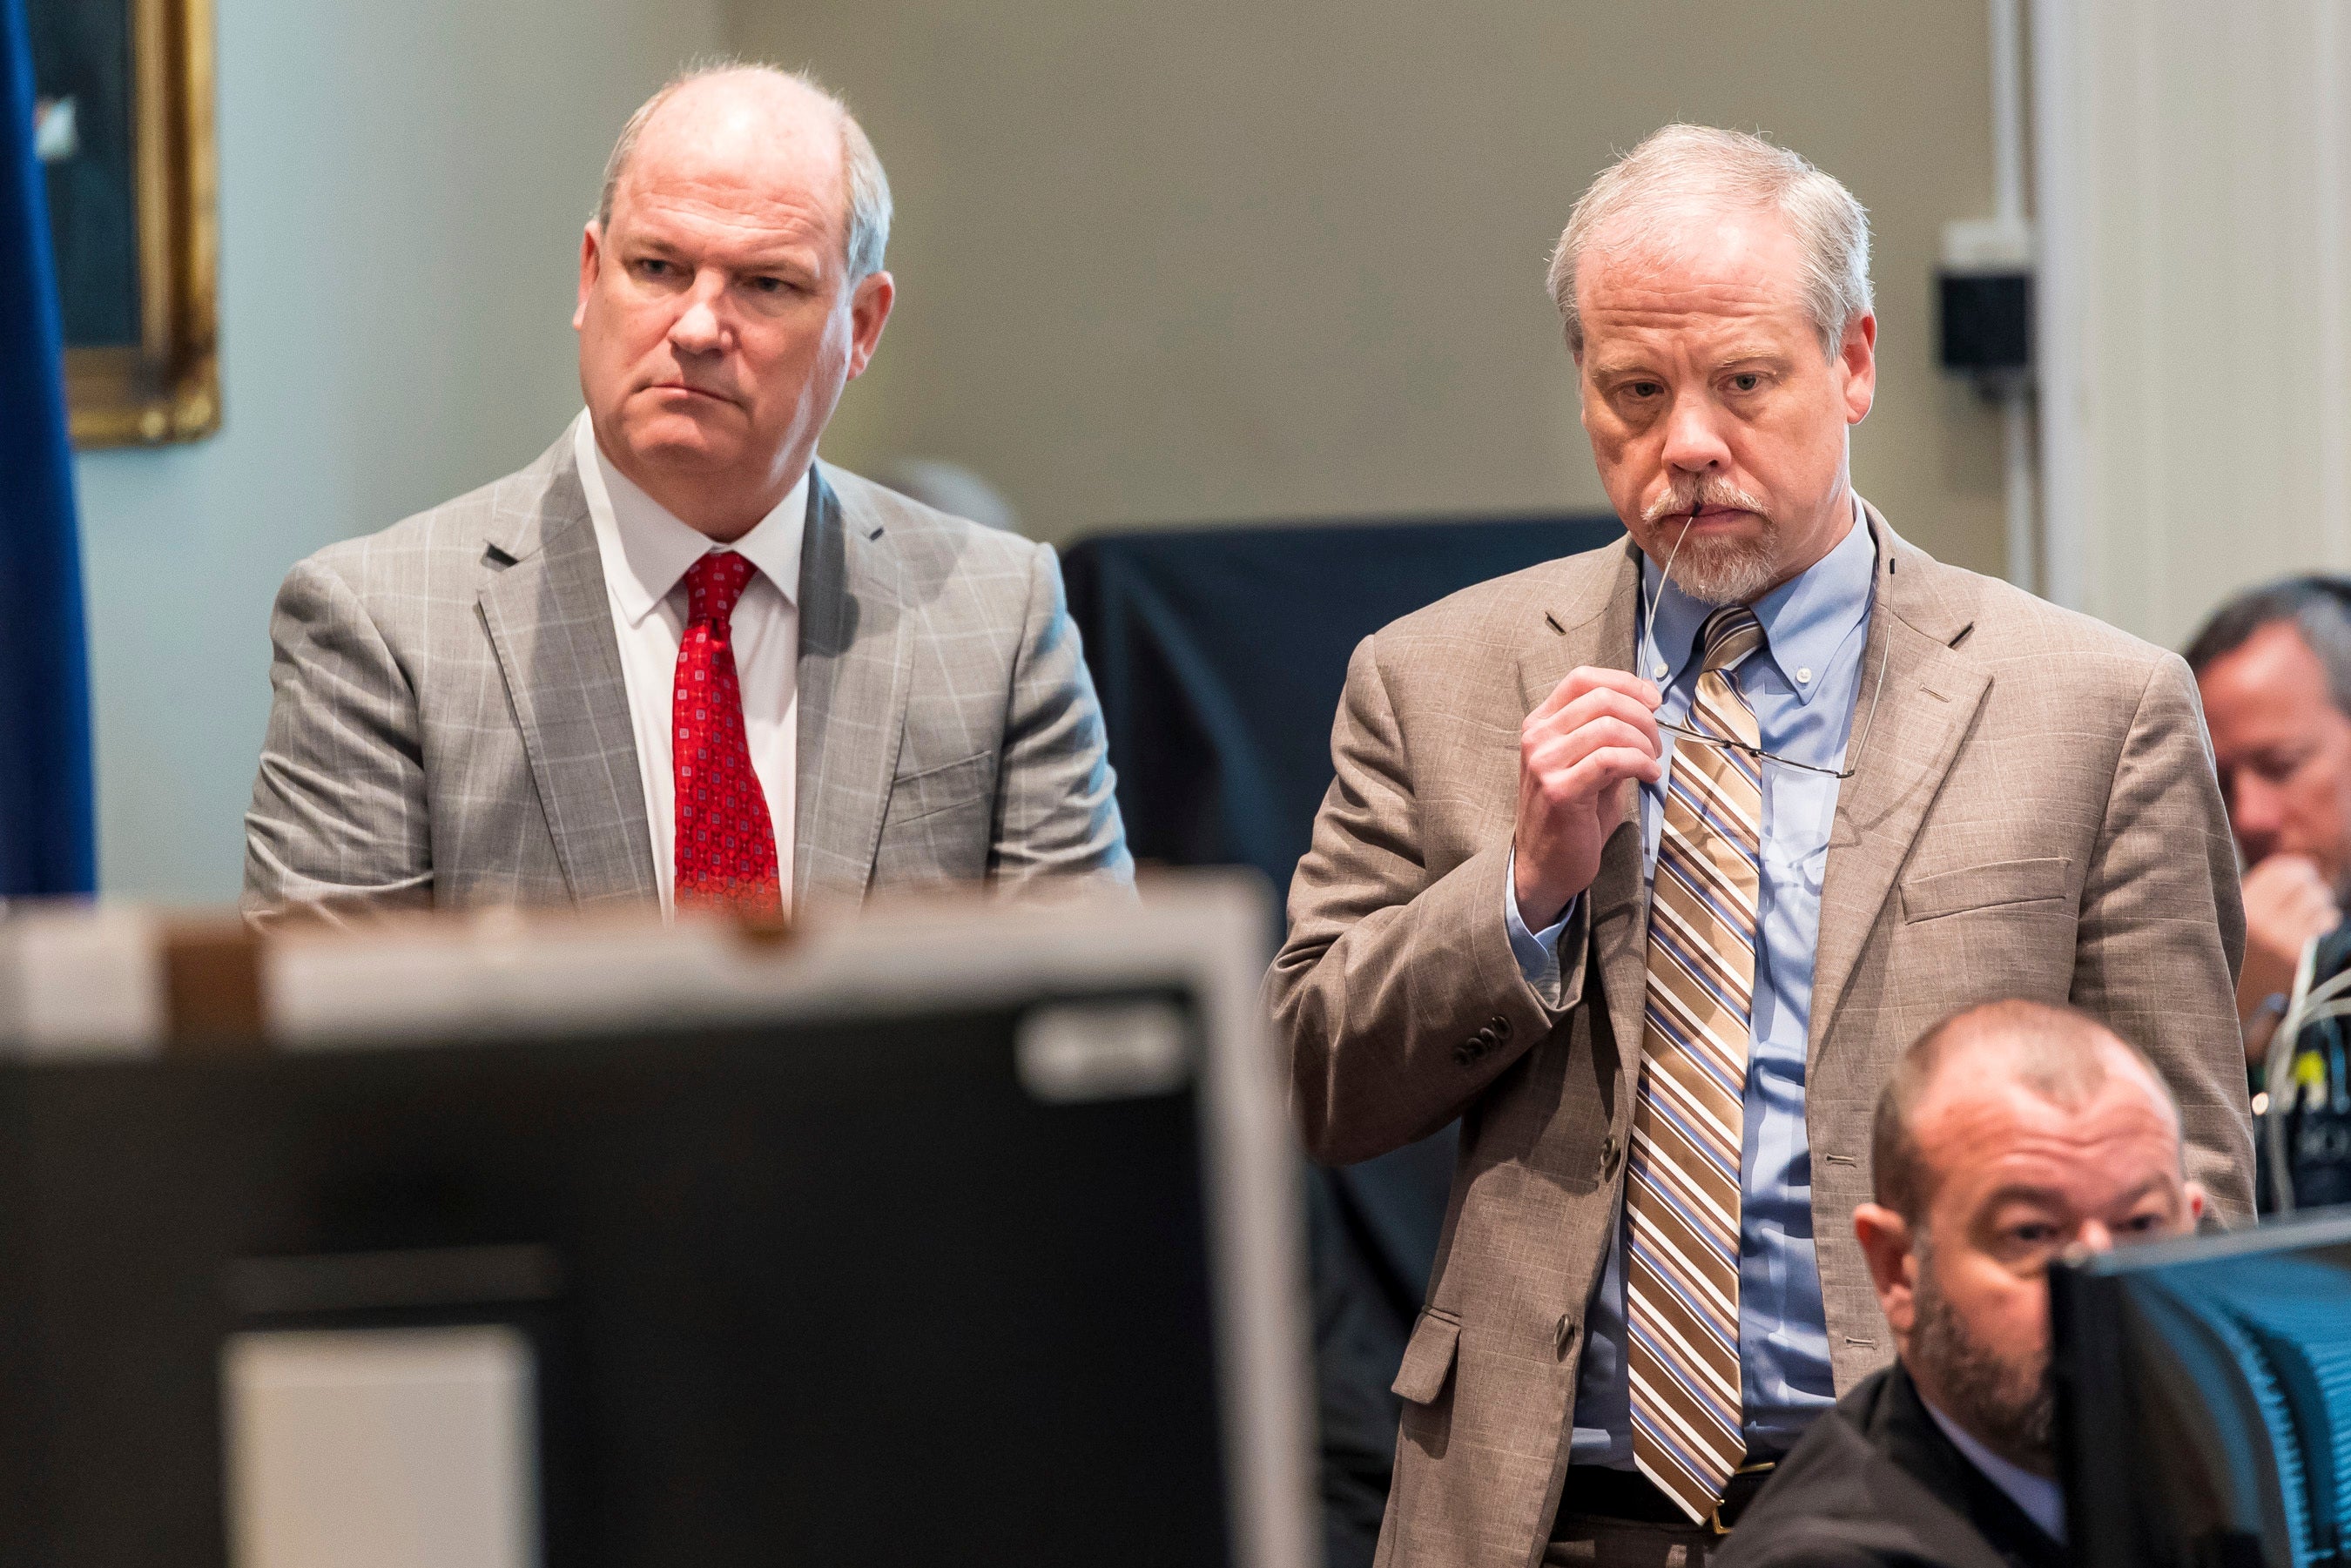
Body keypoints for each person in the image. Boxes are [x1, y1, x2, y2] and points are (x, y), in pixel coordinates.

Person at [1266, 124, 2252, 1568]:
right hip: (1541, 1511)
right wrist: (1523, 891)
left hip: (1926, 1508)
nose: (1689, 447)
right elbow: (1315, 1085)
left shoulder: (2092, 708)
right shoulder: (1439, 678)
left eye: (1744, 383)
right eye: (1636, 393)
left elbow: (2186, 1186)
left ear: (1850, 363)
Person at [244, 63, 1129, 919]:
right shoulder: (381, 629)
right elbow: (328, 1054)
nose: (699, 325)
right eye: (658, 268)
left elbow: (1098, 1023)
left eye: (765, 283)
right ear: (592, 277)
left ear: (860, 327)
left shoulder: (997, 617)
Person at [1715, 1000, 2206, 1568]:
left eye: (2141, 1224)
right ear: (1898, 1267)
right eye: (2032, 1232)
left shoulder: (2259, 1466)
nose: (2101, 1284)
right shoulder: (1824, 1558)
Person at [2186, 578, 2351, 1071]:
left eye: (2281, 765)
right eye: (2222, 783)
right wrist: (2227, 1018)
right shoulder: (2203, 942)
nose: (2247, 818)